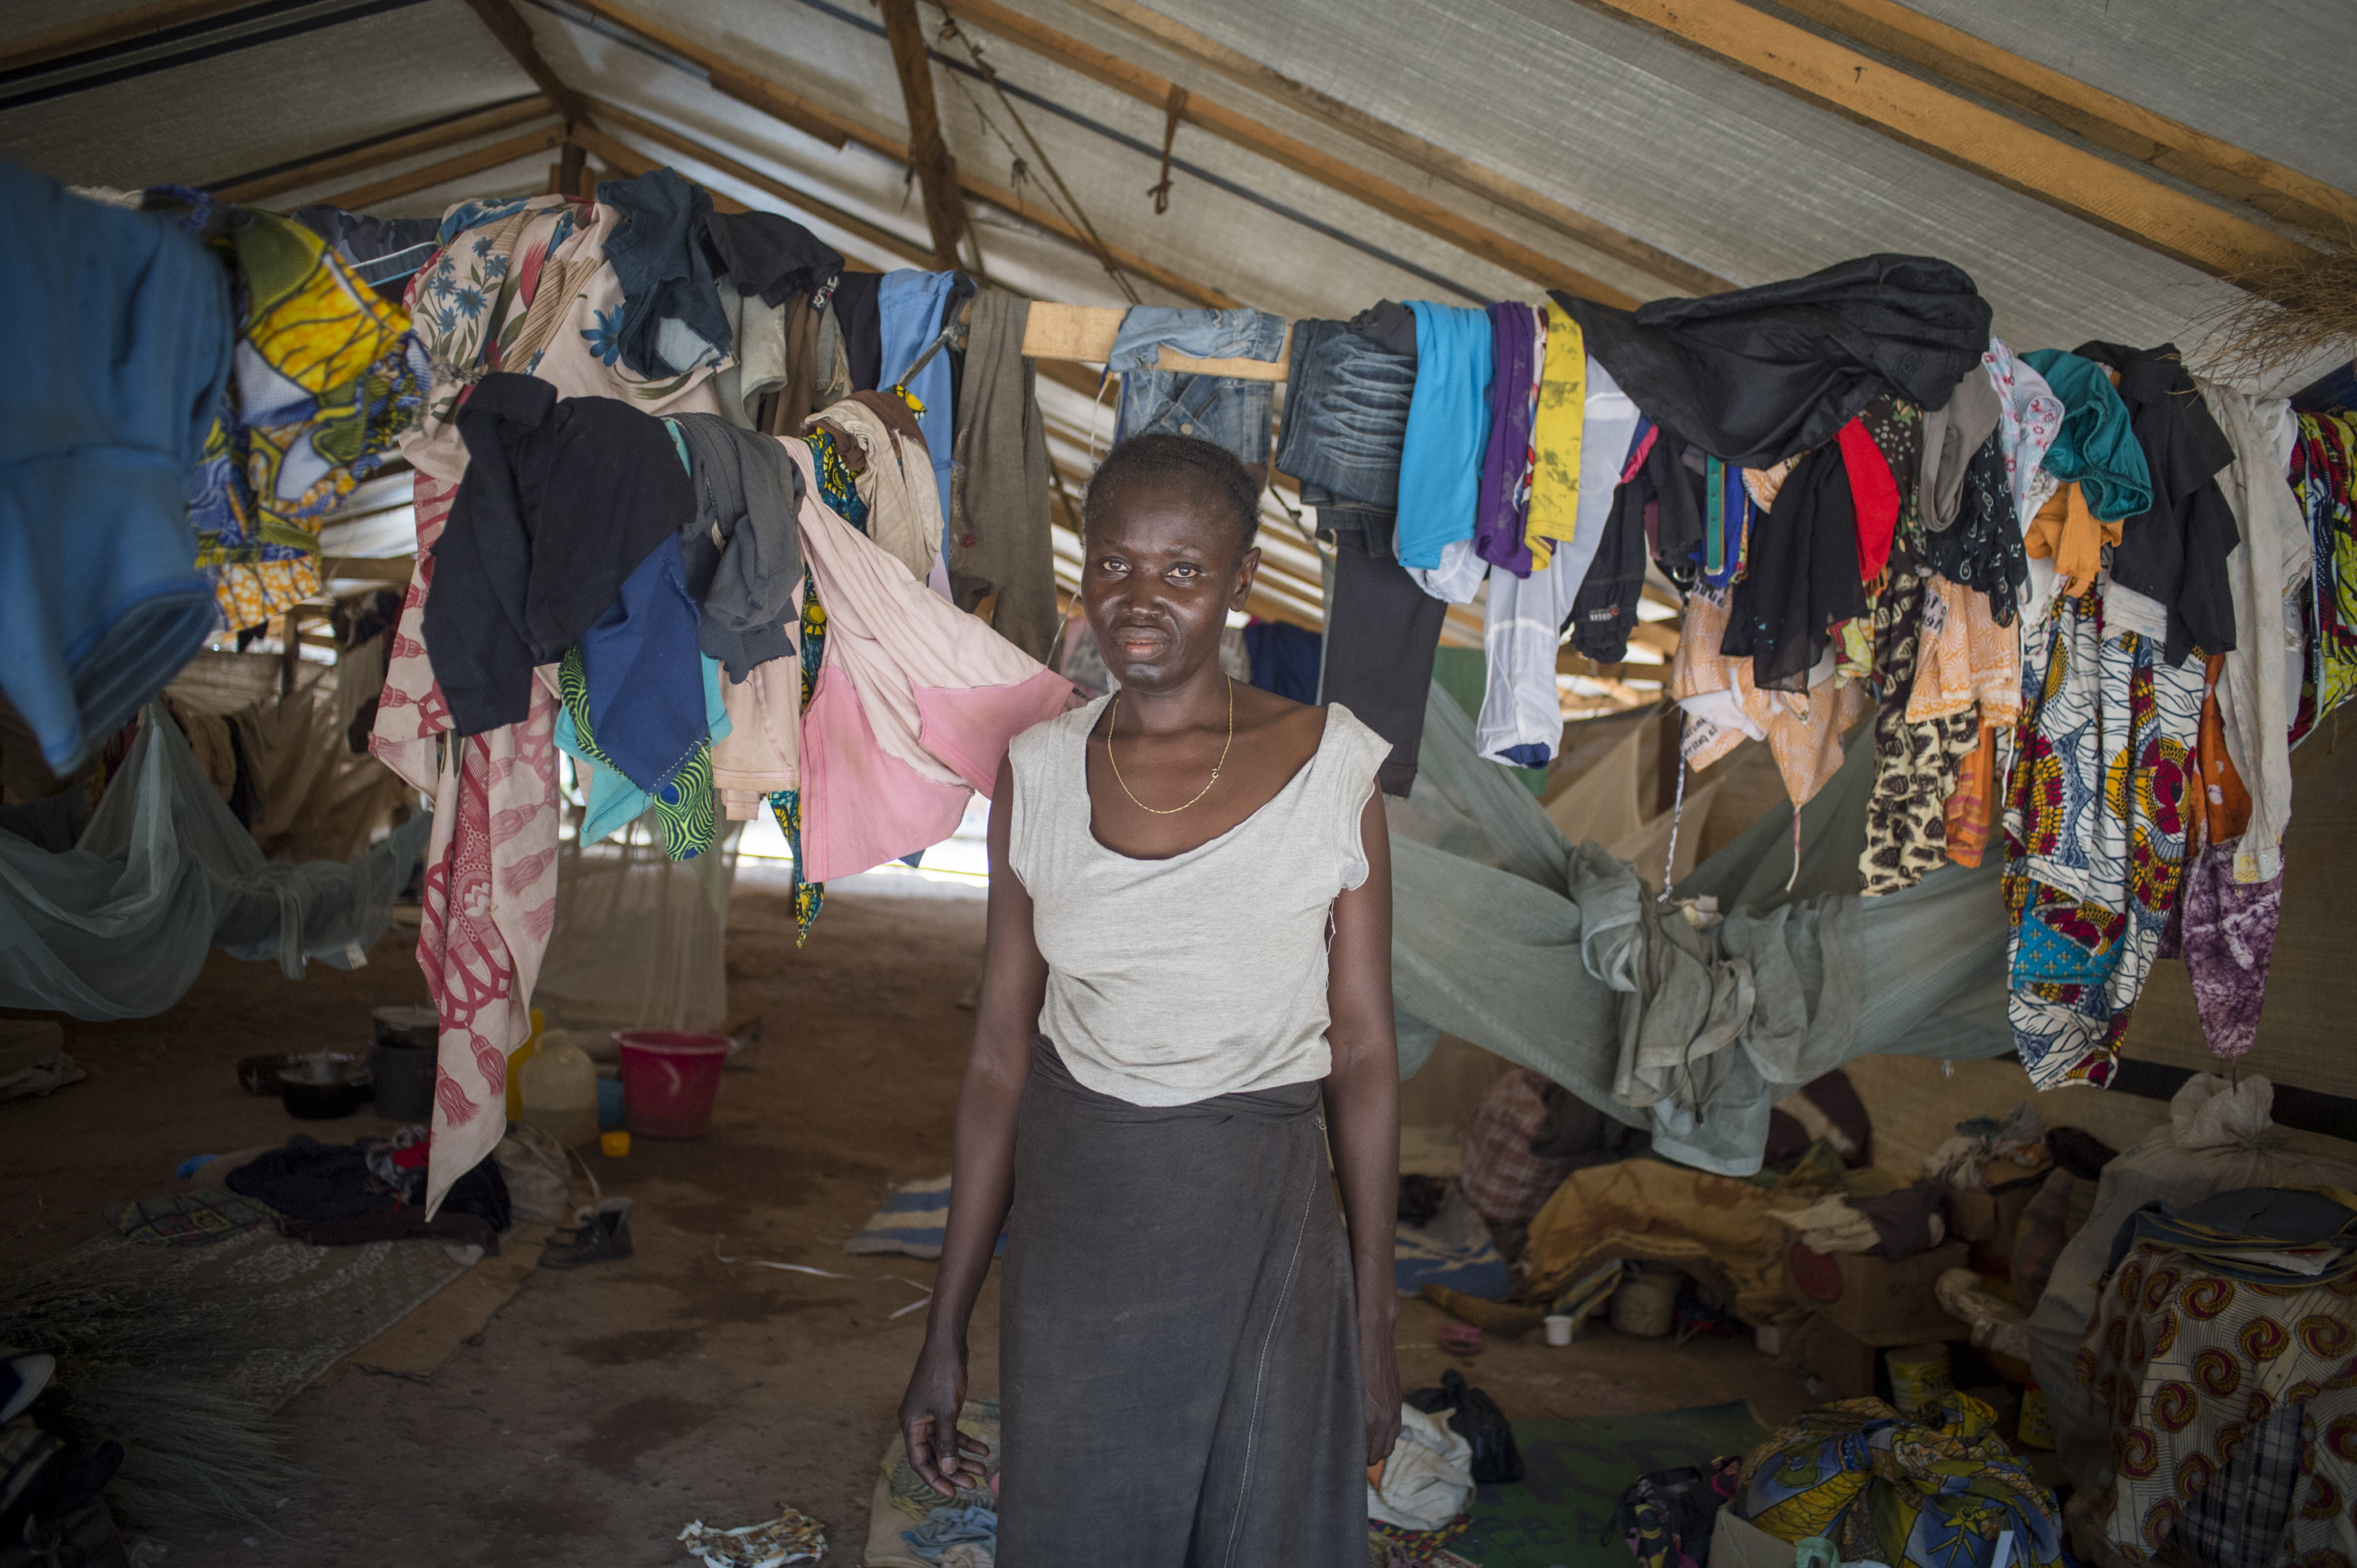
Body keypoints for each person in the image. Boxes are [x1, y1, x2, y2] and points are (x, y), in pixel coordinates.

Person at [897, 432, 1402, 1565]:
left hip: (1264, 1221)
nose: (1142, 597)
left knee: (1260, 1533)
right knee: (1085, 1527)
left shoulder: (1331, 768)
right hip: (1084, 1231)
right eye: (1117, 563)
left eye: (1182, 570)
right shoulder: (1036, 768)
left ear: (1239, 581)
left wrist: (1373, 1307)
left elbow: (1365, 1049)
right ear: (1084, 574)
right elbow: (996, 1060)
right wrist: (945, 1328)